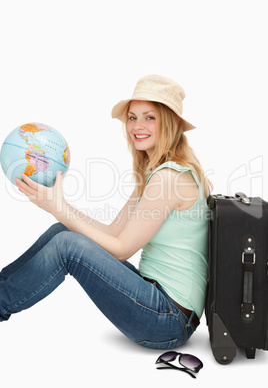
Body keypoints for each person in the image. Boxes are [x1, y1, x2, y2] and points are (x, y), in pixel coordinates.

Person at [0, 74, 212, 350]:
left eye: (150, 117)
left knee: (68, 244)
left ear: (169, 123)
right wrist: (59, 212)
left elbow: (121, 249)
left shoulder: (168, 178)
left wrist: (61, 209)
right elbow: (114, 232)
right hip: (156, 300)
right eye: (133, 117)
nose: (137, 126)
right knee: (63, 231)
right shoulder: (155, 172)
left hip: (169, 319)